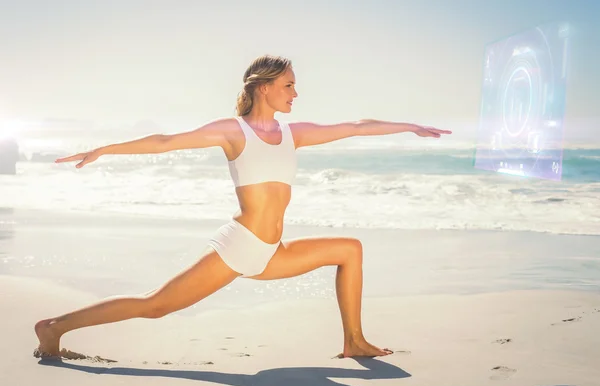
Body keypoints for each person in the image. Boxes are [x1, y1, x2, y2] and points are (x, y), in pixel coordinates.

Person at [34, 54, 451, 360]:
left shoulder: (294, 134)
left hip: (272, 251)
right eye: (288, 85)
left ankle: (354, 341)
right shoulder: (234, 132)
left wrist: (410, 126)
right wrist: (103, 150)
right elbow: (164, 141)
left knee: (350, 249)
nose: (296, 93)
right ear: (263, 87)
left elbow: (357, 127)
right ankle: (54, 327)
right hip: (242, 245)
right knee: (155, 306)